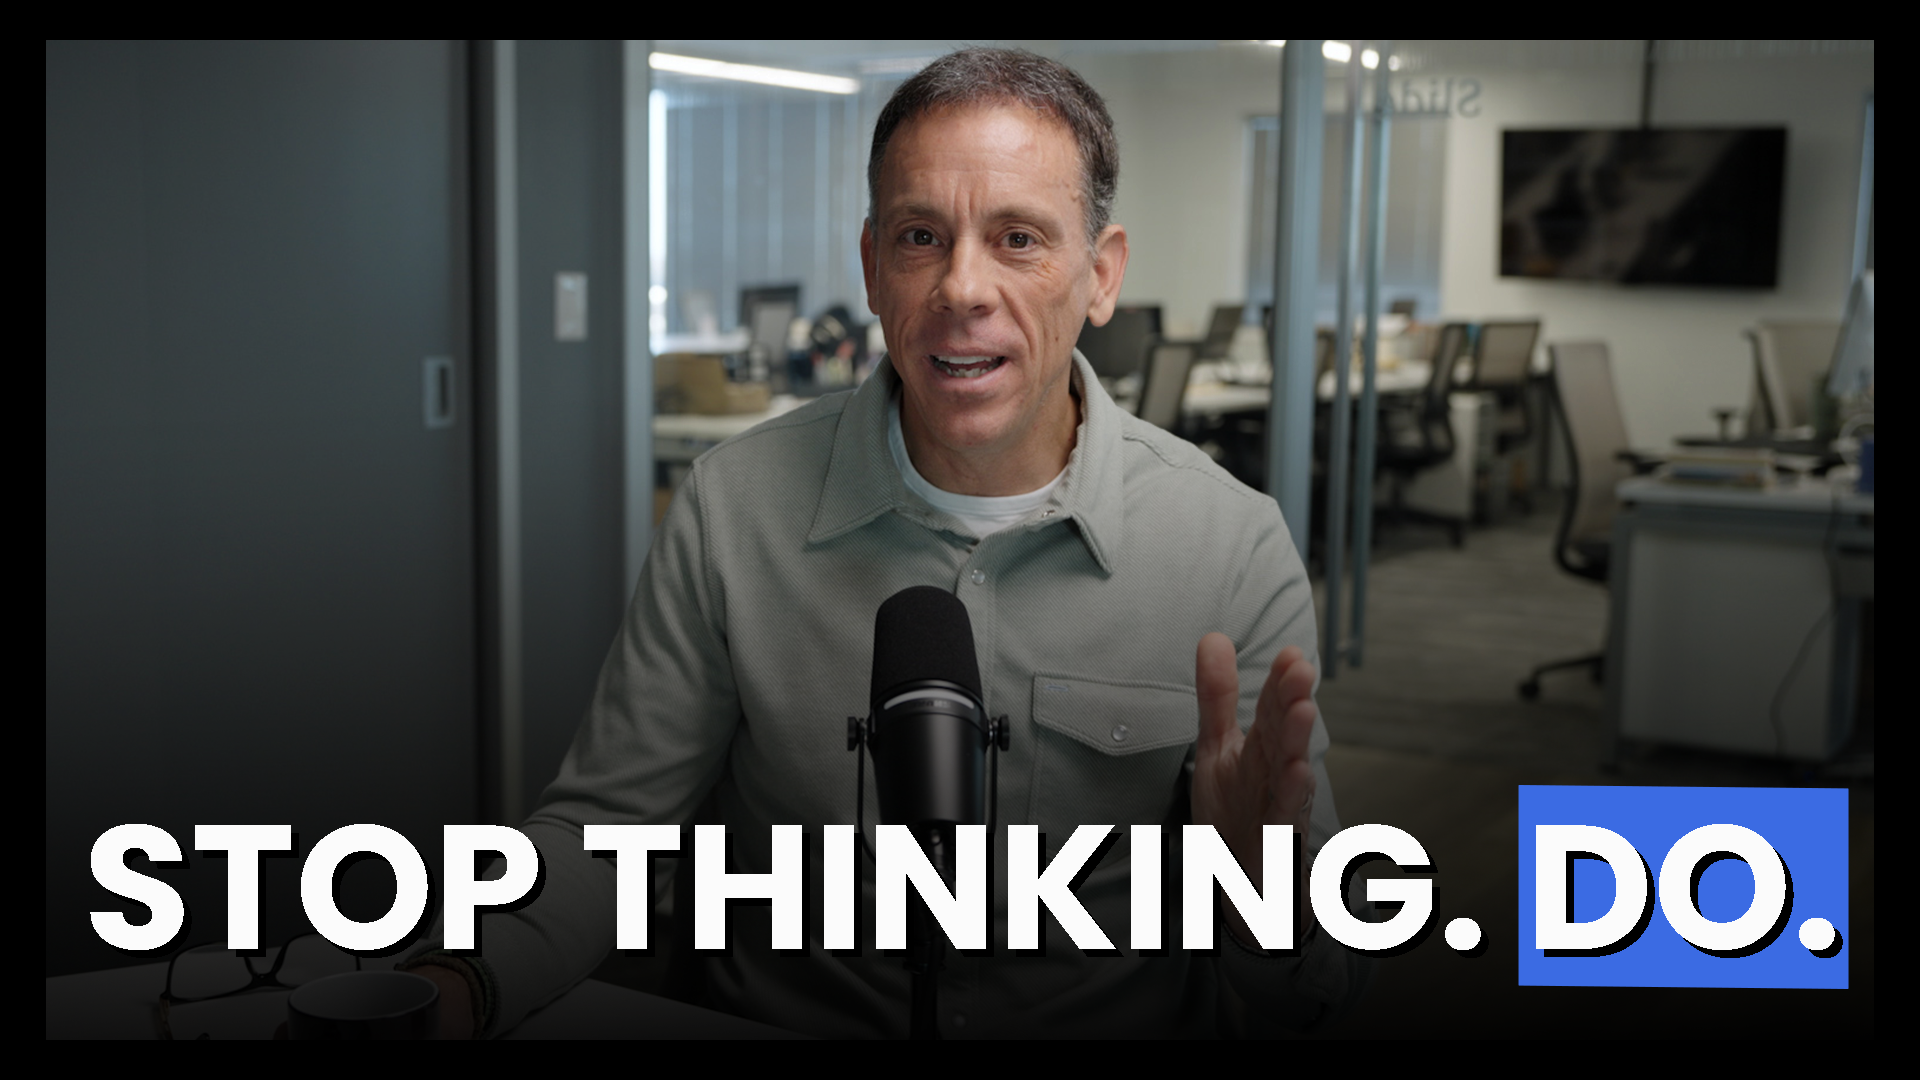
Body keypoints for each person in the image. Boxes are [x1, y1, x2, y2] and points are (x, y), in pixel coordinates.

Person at [405, 47, 1366, 1038]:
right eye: (920, 237)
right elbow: (605, 837)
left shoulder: (1230, 544)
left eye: (1018, 239)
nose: (962, 286)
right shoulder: (735, 509)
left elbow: (1317, 986)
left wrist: (1265, 898)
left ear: (1101, 274)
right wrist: (457, 984)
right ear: (873, 267)